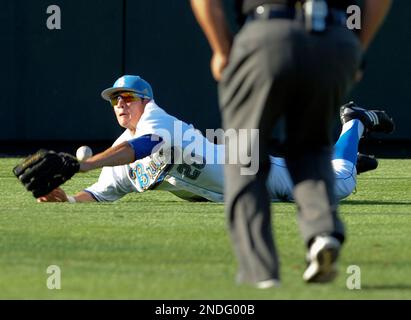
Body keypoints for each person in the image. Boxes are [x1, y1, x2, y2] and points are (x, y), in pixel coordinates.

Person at [190, 0, 392, 286]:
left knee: (243, 156)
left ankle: (260, 273)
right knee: (312, 150)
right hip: (333, 38)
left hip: (266, 33)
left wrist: (222, 49)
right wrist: (357, 46)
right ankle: (322, 233)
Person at [38, 76, 395, 209]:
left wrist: (84, 163)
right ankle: (339, 158)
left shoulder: (156, 118)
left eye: (127, 97)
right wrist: (66, 199)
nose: (120, 104)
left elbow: (142, 147)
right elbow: (101, 192)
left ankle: (354, 121)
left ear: (146, 100)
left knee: (341, 184)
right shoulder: (121, 151)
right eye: (115, 99)